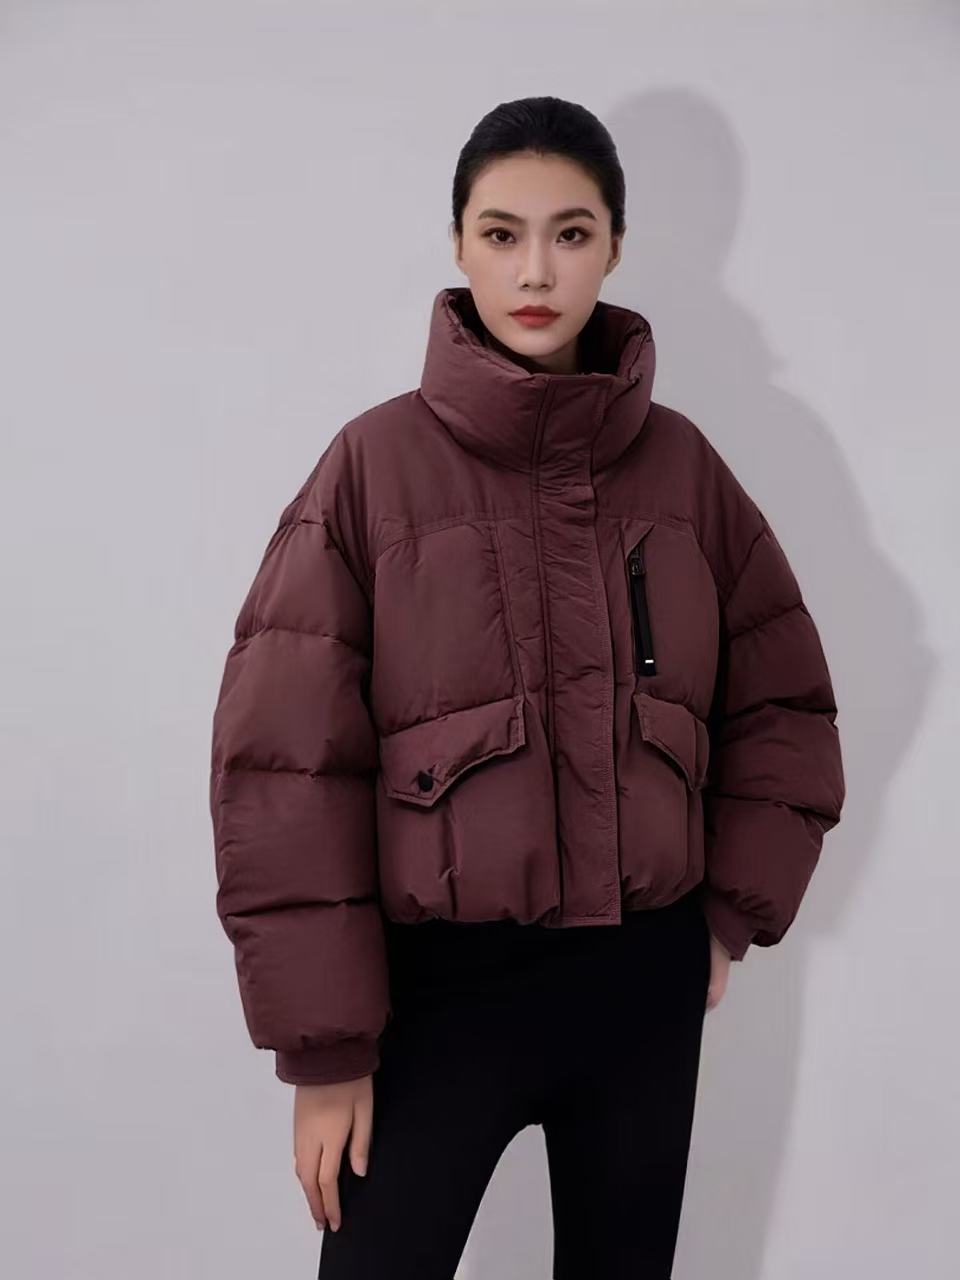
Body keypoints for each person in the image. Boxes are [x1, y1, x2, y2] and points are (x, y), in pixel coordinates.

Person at [208, 96, 845, 1279]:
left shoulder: (685, 470)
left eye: (571, 233)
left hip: (642, 985)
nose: (536, 270)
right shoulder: (372, 467)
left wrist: (727, 910)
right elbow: (285, 764)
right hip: (438, 994)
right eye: (502, 233)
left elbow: (785, 702)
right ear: (458, 242)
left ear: (615, 247)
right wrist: (327, 1048)